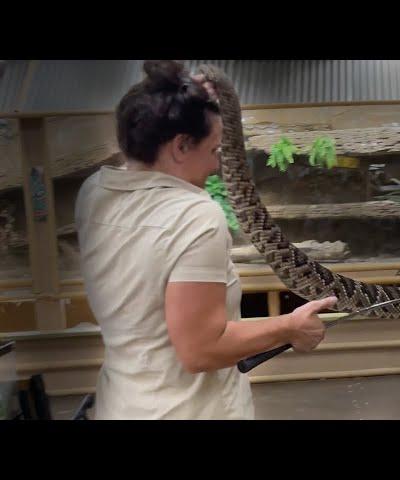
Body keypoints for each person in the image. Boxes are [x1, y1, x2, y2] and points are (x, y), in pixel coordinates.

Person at [75, 60, 337, 419]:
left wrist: (179, 101)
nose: (217, 165)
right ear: (181, 146)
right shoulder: (194, 216)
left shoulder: (93, 194)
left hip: (122, 403)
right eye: (214, 151)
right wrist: (289, 327)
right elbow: (199, 349)